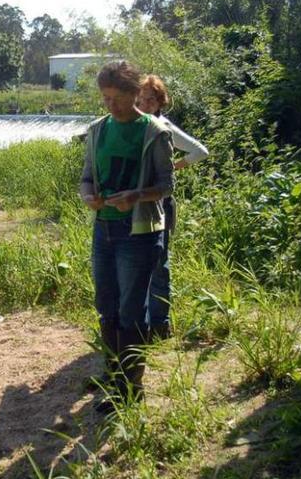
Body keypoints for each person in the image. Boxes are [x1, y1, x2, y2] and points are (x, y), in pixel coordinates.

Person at [80, 61, 174, 413]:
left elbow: (167, 185)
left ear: (136, 94)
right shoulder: (97, 131)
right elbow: (87, 176)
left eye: (118, 98)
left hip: (138, 233)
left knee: (130, 310)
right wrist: (87, 196)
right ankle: (113, 373)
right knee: (106, 305)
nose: (111, 105)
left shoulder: (153, 132)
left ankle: (130, 387)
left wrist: (136, 196)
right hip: (102, 229)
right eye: (105, 98)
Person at [136, 74, 209, 339]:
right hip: (137, 204)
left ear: (160, 102)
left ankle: (160, 324)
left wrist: (173, 167)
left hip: (162, 203)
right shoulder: (131, 125)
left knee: (159, 262)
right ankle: (142, 324)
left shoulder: (162, 125)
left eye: (150, 99)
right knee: (138, 263)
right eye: (141, 98)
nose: (145, 104)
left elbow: (200, 151)